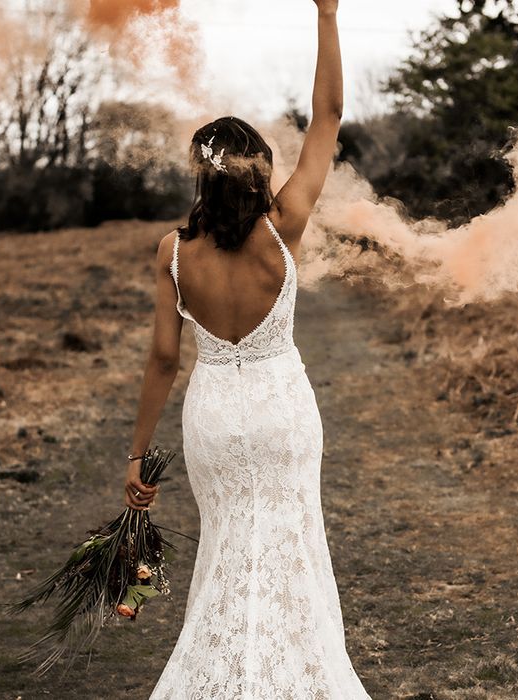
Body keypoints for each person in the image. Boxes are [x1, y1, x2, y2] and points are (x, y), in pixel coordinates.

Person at [124, 1, 371, 696]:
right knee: (289, 549)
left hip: (212, 421)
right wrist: (326, 13)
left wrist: (137, 457)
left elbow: (163, 363)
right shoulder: (283, 227)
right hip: (281, 413)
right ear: (257, 170)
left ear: (201, 175)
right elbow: (327, 116)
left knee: (229, 556)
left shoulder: (173, 252)